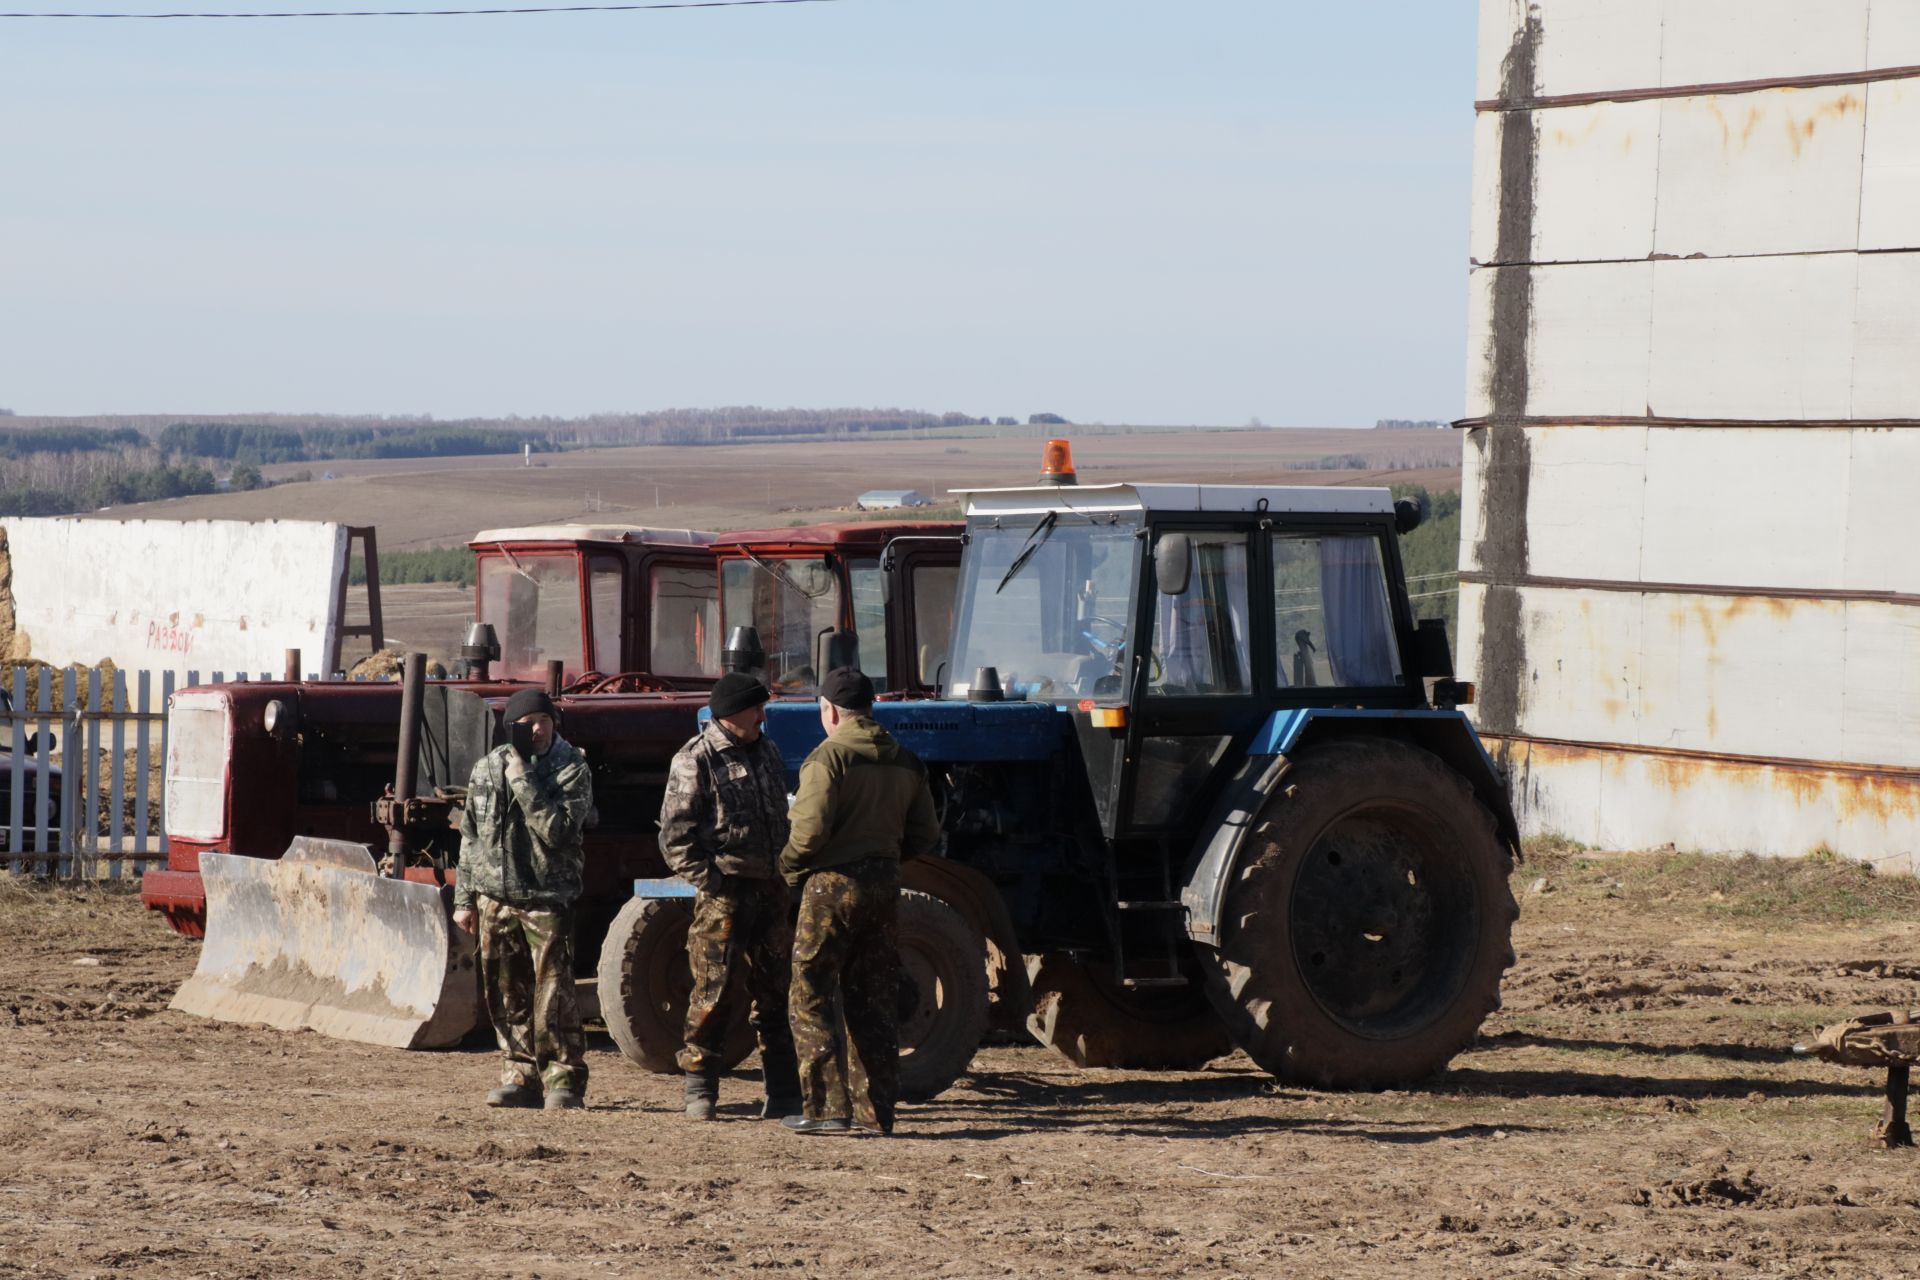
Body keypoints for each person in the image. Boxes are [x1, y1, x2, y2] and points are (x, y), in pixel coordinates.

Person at [780, 668, 941, 1136]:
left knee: (809, 992)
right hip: (884, 885)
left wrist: (787, 868)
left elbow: (809, 831)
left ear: (829, 710)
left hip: (832, 885)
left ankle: (827, 1109)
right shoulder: (907, 760)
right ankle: (876, 1114)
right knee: (873, 997)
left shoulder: (827, 759)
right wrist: (888, 859)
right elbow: (926, 832)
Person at [658, 672, 801, 1122]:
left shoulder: (768, 751)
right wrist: (713, 882)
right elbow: (674, 837)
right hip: (725, 894)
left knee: (776, 992)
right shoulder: (694, 759)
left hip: (771, 891)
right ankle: (701, 1090)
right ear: (733, 711)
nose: (763, 716)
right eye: (757, 708)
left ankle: (782, 1092)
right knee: (712, 992)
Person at [451, 688, 595, 1111]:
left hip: (546, 897)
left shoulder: (571, 768)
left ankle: (563, 1079)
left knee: (554, 996)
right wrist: (465, 899)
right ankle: (519, 1075)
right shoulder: (486, 768)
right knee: (504, 992)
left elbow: (559, 832)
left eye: (543, 721)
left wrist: (522, 778)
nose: (536, 729)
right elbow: (470, 838)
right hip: (494, 897)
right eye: (527, 722)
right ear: (510, 726)